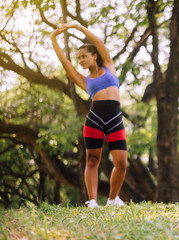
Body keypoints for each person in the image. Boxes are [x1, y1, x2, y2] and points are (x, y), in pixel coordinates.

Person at [50, 22, 127, 208]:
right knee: (92, 160)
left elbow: (98, 42)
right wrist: (53, 39)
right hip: (95, 119)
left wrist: (78, 27)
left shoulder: (109, 66)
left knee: (122, 163)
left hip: (115, 118)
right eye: (79, 57)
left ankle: (112, 200)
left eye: (84, 56)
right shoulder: (83, 80)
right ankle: (92, 201)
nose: (81, 60)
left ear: (95, 56)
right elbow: (64, 62)